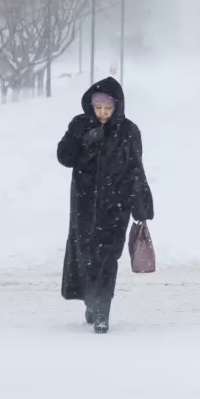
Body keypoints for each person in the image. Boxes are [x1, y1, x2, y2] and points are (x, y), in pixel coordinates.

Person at [56, 77, 154, 334]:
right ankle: (91, 301)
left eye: (107, 109)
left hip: (115, 207)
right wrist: (77, 138)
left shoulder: (128, 131)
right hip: (84, 206)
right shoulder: (80, 125)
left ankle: (102, 312)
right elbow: (64, 158)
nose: (102, 114)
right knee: (87, 258)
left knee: (108, 258)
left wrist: (140, 206)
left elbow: (135, 168)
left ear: (117, 107)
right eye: (98, 108)